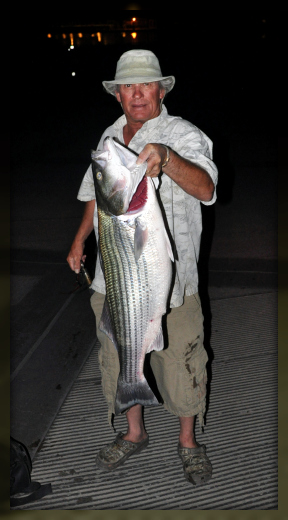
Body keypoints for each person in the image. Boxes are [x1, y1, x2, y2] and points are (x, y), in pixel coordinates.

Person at [67, 49, 218, 486]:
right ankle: (134, 433)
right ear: (117, 95)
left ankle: (188, 443)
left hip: (172, 283)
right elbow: (97, 192)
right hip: (114, 277)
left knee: (183, 360)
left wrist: (167, 159)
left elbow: (207, 188)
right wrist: (79, 239)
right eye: (127, 87)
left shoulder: (182, 133)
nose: (137, 94)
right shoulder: (110, 136)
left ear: (161, 89)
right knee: (120, 355)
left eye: (145, 85)